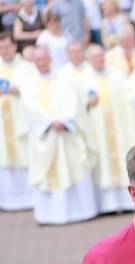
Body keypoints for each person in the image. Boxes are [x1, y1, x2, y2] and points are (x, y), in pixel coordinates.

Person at [22, 45, 97, 225]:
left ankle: (80, 212)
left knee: (72, 168)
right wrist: (48, 122)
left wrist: (63, 120)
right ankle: (48, 215)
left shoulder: (64, 78)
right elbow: (29, 107)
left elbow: (73, 102)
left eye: (43, 59)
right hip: (44, 136)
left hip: (65, 134)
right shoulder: (29, 81)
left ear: (50, 59)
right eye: (37, 60)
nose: (41, 63)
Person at [82, 43, 135, 214]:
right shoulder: (83, 79)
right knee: (103, 163)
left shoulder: (118, 75)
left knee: (121, 160)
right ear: (89, 60)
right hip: (97, 132)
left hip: (119, 129)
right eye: (94, 57)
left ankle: (126, 203)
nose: (98, 59)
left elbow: (129, 98)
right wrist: (86, 103)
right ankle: (107, 206)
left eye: (100, 56)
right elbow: (75, 105)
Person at [0, 32, 33, 211]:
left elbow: (34, 88)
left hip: (19, 122)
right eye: (1, 48)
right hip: (2, 127)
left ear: (14, 46)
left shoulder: (26, 67)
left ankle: (28, 199)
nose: (4, 51)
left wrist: (18, 90)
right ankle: (6, 201)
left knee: (23, 155)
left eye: (7, 47)